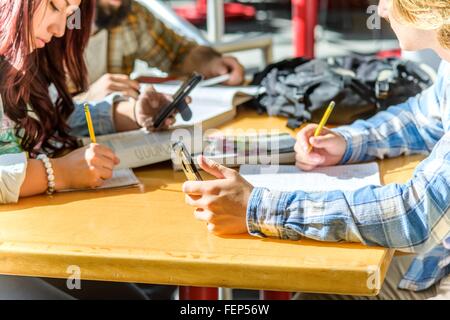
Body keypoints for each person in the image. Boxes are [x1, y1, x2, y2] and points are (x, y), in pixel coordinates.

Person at [182, 0, 450, 300]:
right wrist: (348, 143)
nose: (382, 11)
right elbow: (422, 118)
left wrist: (257, 208)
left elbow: (412, 215)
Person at [0, 0, 176, 299]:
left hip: (25, 239)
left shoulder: (21, 58)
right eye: (55, 7)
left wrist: (130, 113)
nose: (59, 29)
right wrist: (58, 173)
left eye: (69, 14)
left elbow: (50, 116)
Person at [79, 0, 246, 101]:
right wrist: (87, 101)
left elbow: (177, 54)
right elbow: (53, 112)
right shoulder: (55, 26)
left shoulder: (130, 14)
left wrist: (211, 63)